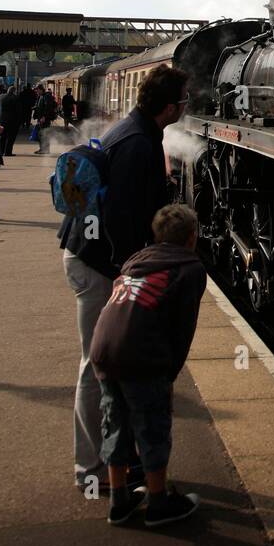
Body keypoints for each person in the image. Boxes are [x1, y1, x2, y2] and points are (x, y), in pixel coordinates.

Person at [59, 63, 188, 492]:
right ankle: (92, 469)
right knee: (98, 365)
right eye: (183, 102)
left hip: (94, 256)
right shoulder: (136, 143)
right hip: (97, 263)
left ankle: (117, 459)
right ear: (170, 107)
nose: (187, 107)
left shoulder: (136, 131)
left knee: (107, 364)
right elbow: (120, 219)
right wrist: (124, 273)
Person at [90, 202, 206, 526]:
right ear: (192, 238)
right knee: (152, 425)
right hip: (139, 356)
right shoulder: (190, 268)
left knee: (115, 423)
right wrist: (168, 376)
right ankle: (158, 503)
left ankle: (119, 500)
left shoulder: (136, 259)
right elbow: (183, 330)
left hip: (103, 350)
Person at [0, 84, 23, 157]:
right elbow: (19, 111)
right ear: (14, 91)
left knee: (2, 136)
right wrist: (19, 121)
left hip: (1, 119)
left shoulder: (1, 96)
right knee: (10, 137)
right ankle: (7, 152)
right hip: (12, 121)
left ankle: (1, 151)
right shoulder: (15, 98)